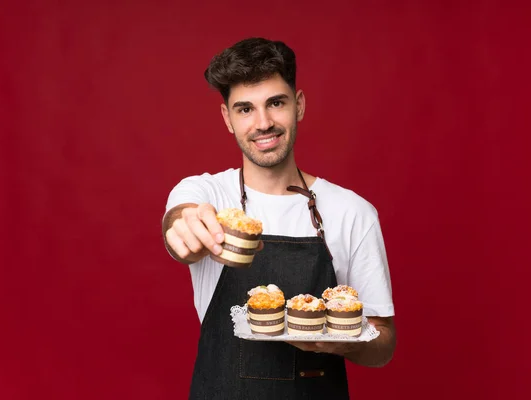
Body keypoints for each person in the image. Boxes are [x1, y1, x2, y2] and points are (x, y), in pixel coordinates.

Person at [162, 37, 396, 399]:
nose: (263, 123)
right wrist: (185, 229)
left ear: (298, 105)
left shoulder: (352, 212)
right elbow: (180, 223)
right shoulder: (208, 195)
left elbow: (383, 342)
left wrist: (338, 343)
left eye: (276, 103)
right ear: (227, 118)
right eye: (244, 109)